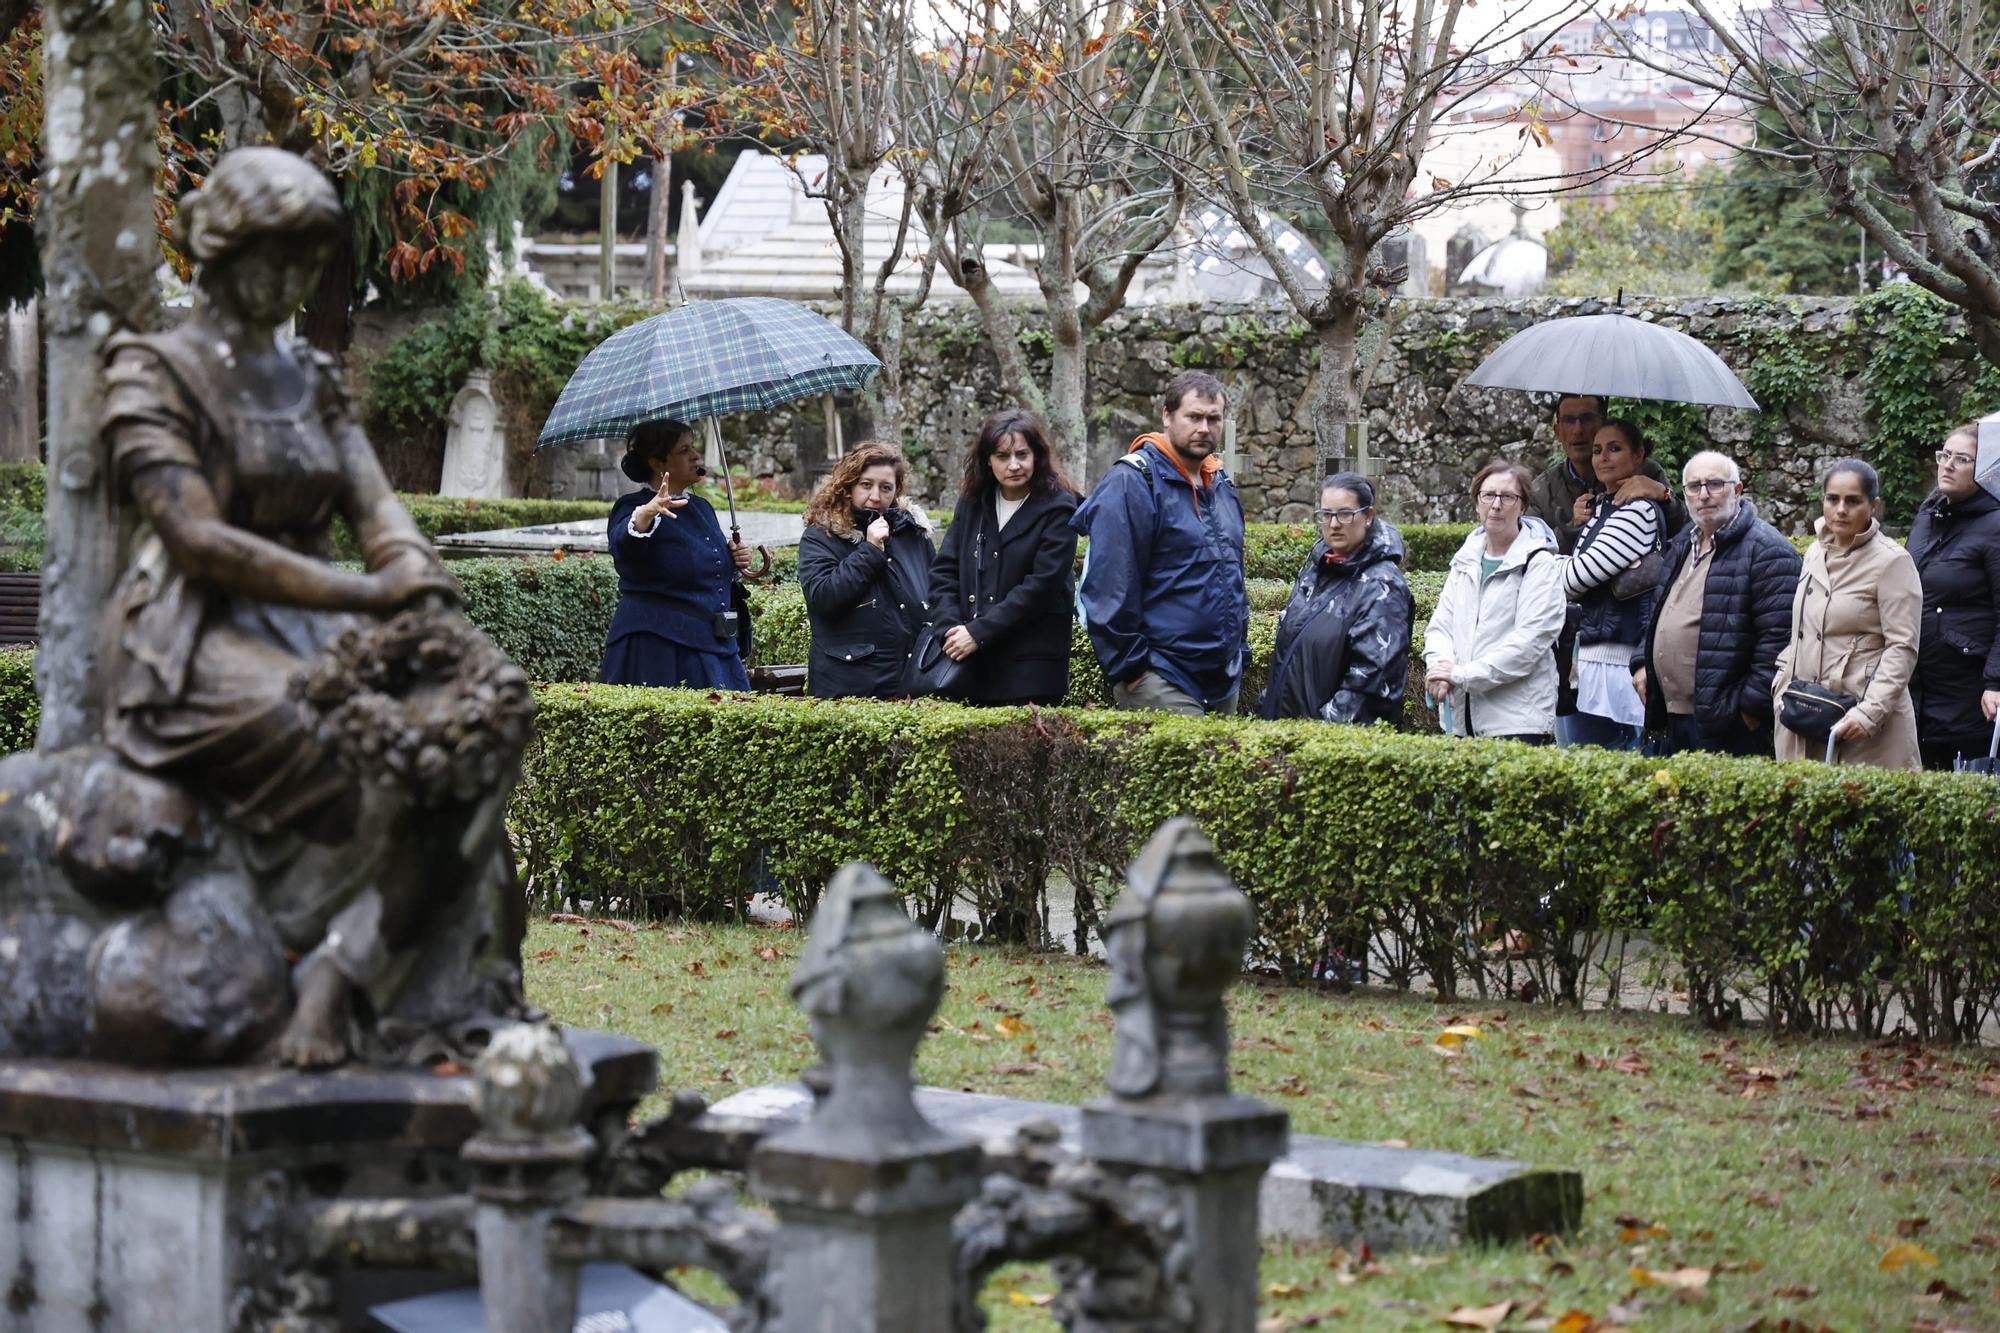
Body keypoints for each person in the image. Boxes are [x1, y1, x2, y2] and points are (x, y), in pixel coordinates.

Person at [96, 147, 528, 1067]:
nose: (289, 281)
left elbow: (374, 507)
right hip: (193, 633)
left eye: (305, 261)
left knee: (480, 721)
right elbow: (197, 540)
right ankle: (294, 961)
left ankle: (349, 973)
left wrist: (418, 585)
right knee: (354, 734)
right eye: (272, 256)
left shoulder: (310, 378)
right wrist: (368, 594)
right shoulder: (153, 371)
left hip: (325, 621)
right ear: (219, 249)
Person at [1074, 369, 1249, 715]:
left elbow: (1234, 576)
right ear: (1167, 416)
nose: (1204, 428)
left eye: (1213, 419)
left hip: (1223, 681)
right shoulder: (1132, 482)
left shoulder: (1221, 485)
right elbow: (1108, 587)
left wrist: (1240, 652)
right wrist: (1131, 669)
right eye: (1194, 417)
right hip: (1162, 678)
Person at [1631, 451, 1802, 757]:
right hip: (1670, 720)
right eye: (1694, 487)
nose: (1704, 495)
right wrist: (1643, 662)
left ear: (1738, 490)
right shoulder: (1684, 541)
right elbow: (1659, 610)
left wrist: (1747, 712)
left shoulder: (1768, 551)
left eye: (1715, 484)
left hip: (1726, 727)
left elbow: (1779, 643)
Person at [1774, 459, 1922, 770]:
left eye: (1853, 501)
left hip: (1864, 726)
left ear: (1873, 505)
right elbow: (1800, 631)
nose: (1841, 509)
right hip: (1804, 714)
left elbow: (1902, 647)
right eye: (1833, 499)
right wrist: (1781, 686)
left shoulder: (1892, 562)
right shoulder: (1815, 551)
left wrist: (1870, 712)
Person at [929, 408, 1082, 706]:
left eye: (1022, 455)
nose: (1014, 465)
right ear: (988, 459)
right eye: (1002, 456)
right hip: (967, 666)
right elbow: (944, 570)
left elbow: (1041, 588)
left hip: (1031, 670)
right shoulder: (973, 502)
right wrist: (949, 630)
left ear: (1037, 456)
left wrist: (978, 632)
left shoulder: (1059, 508)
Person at [599, 418, 754, 689]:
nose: (696, 456)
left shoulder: (701, 507)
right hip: (658, 648)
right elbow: (623, 546)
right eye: (684, 450)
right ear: (657, 463)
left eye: (693, 447)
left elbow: (706, 568)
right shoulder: (632, 507)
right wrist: (646, 513)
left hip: (711, 644)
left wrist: (735, 560)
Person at [1421, 461, 1566, 742]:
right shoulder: (1465, 561)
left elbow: (1529, 643)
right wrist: (1440, 668)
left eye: (1508, 497)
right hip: (1462, 722)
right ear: (1477, 503)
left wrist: (1461, 675)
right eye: (1488, 495)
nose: (1496, 505)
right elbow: (1441, 626)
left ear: (1523, 507)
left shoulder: (1539, 563)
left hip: (1517, 723)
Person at [1260, 473, 1415, 723]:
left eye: (1345, 514)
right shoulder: (1316, 570)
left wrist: (1316, 733)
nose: (1334, 524)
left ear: (1368, 516)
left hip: (1326, 746)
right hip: (1286, 733)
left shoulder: (1381, 586)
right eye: (1326, 514)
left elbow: (1372, 682)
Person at [798, 441, 937, 699]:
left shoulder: (914, 534)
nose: (876, 496)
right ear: (848, 487)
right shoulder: (820, 536)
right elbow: (824, 598)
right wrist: (871, 549)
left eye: (886, 488)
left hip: (914, 686)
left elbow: (938, 594)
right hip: (851, 691)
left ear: (896, 491)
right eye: (866, 485)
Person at [1560, 418, 1668, 750]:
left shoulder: (1637, 511)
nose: (1603, 457)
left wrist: (1553, 567)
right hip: (1588, 658)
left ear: (1638, 455)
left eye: (1614, 448)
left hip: (1622, 666)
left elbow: (1573, 580)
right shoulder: (1602, 508)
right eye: (1597, 450)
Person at [1906, 423, 2000, 769]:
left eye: (1962, 459)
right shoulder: (1928, 515)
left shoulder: (1995, 526)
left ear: (1987, 471)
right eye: (1945, 454)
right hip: (1920, 685)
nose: (1947, 464)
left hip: (1970, 691)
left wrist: (1996, 682)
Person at [1526, 393, 1684, 554]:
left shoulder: (1644, 471)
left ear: (1603, 423)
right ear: (1557, 431)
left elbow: (1682, 533)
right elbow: (1529, 555)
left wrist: (1664, 496)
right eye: (1568, 420)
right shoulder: (1542, 490)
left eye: (1587, 419)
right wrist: (1571, 527)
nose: (1578, 429)